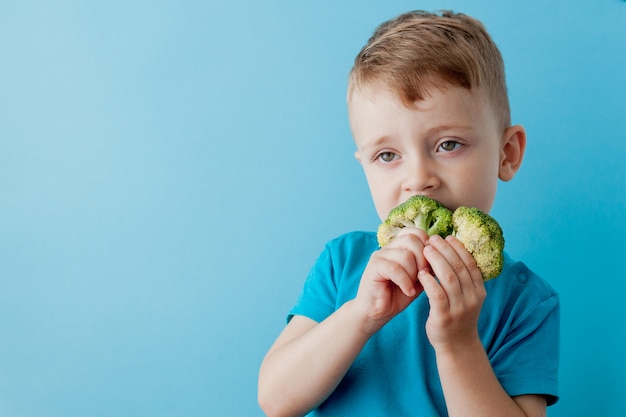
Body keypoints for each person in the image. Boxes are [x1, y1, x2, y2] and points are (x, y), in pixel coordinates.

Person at [258, 10, 559, 417]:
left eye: (448, 145)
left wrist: (458, 344)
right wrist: (361, 315)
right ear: (363, 164)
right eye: (387, 155)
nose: (418, 179)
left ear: (507, 154)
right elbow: (276, 400)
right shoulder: (342, 264)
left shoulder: (525, 300)